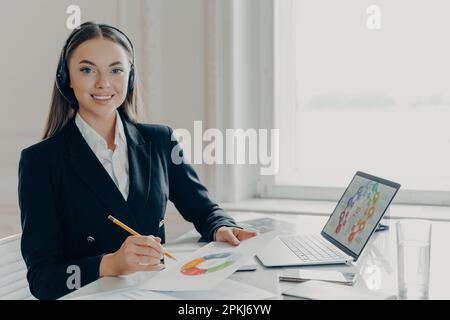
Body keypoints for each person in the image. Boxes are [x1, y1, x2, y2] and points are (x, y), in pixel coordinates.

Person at [18, 22, 257, 300]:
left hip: (159, 292)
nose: (103, 83)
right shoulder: (40, 161)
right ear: (67, 77)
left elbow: (204, 210)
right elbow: (42, 280)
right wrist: (110, 264)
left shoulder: (160, 140)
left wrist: (221, 227)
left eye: (116, 70)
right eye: (87, 70)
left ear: (130, 76)